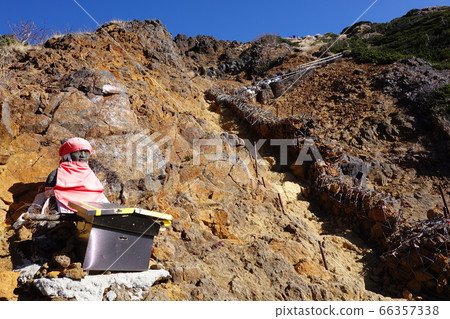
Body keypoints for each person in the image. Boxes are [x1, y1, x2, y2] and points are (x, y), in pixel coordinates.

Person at [44, 137, 108, 214]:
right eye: (79, 151)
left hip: (94, 205)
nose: (83, 155)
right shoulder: (56, 174)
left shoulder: (90, 173)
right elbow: (50, 196)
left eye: (85, 152)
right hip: (64, 205)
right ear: (68, 154)